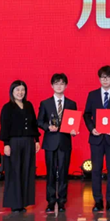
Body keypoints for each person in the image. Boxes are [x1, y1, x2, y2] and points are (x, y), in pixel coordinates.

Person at [83, 65, 110, 212]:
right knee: (96, 170)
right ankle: (97, 201)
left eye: (108, 77)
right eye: (102, 77)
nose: (105, 80)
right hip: (96, 138)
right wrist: (92, 129)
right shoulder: (92, 95)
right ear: (99, 79)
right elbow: (86, 114)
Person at [37, 73, 78, 213]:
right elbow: (39, 121)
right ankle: (50, 201)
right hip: (50, 142)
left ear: (66, 86)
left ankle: (61, 201)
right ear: (52, 86)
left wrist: (73, 131)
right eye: (56, 83)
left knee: (63, 172)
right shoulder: (45, 103)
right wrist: (48, 127)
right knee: (50, 173)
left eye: (62, 83)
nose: (59, 86)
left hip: (65, 142)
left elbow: (73, 122)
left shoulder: (71, 104)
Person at [0, 80, 40, 213]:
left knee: (27, 170)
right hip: (14, 143)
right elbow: (4, 126)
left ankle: (24, 202)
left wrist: (37, 140)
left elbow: (34, 124)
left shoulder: (28, 105)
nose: (20, 92)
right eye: (17, 90)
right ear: (12, 91)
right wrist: (6, 144)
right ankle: (14, 204)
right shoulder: (7, 107)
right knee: (14, 171)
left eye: (22, 90)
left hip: (28, 142)